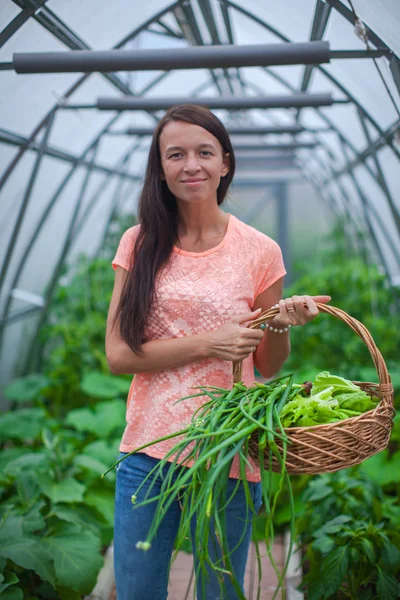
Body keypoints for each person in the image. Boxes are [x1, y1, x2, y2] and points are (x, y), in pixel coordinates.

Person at [106, 104, 331, 600]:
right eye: (176, 154)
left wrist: (280, 326)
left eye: (204, 152)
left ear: (225, 163)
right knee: (138, 590)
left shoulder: (259, 250)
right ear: (160, 167)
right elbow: (119, 356)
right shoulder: (139, 243)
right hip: (148, 449)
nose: (192, 165)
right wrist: (209, 343)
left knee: (221, 592)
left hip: (229, 450)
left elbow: (268, 365)